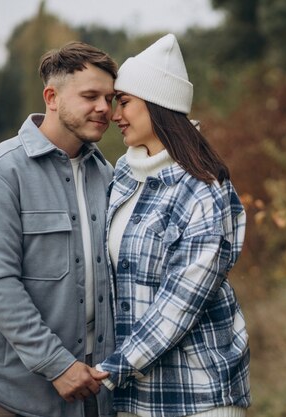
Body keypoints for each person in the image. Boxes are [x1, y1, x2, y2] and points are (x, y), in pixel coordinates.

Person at [95, 34, 251, 417]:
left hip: (197, 396)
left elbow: (180, 303)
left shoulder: (203, 191)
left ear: (158, 106)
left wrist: (111, 369)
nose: (116, 114)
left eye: (125, 102)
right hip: (135, 396)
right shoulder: (124, 177)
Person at [0, 41, 118, 417]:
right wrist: (57, 364)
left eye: (110, 98)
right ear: (52, 97)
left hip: (93, 385)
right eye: (90, 96)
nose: (104, 109)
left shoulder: (108, 176)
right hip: (16, 391)